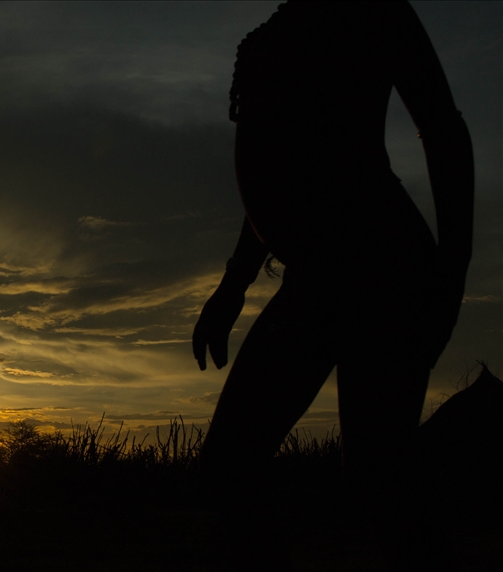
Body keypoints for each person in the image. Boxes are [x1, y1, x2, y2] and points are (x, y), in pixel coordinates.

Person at [192, 1, 472, 567]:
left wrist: (452, 273)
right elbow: (285, 161)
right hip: (319, 277)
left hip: (380, 264)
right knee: (232, 465)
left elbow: (442, 128)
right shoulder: (286, 23)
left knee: (377, 476)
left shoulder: (373, 8)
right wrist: (235, 283)